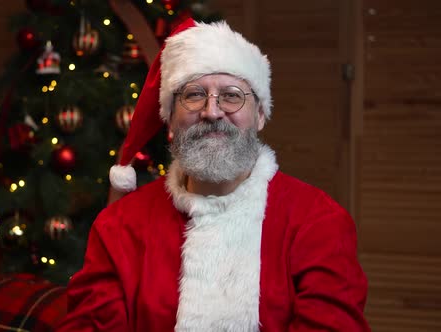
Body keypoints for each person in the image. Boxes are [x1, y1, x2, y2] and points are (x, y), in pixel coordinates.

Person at [56, 19, 369, 332]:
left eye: (232, 96)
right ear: (169, 119)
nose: (212, 112)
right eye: (194, 95)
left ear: (260, 115)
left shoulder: (319, 222)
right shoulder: (120, 225)